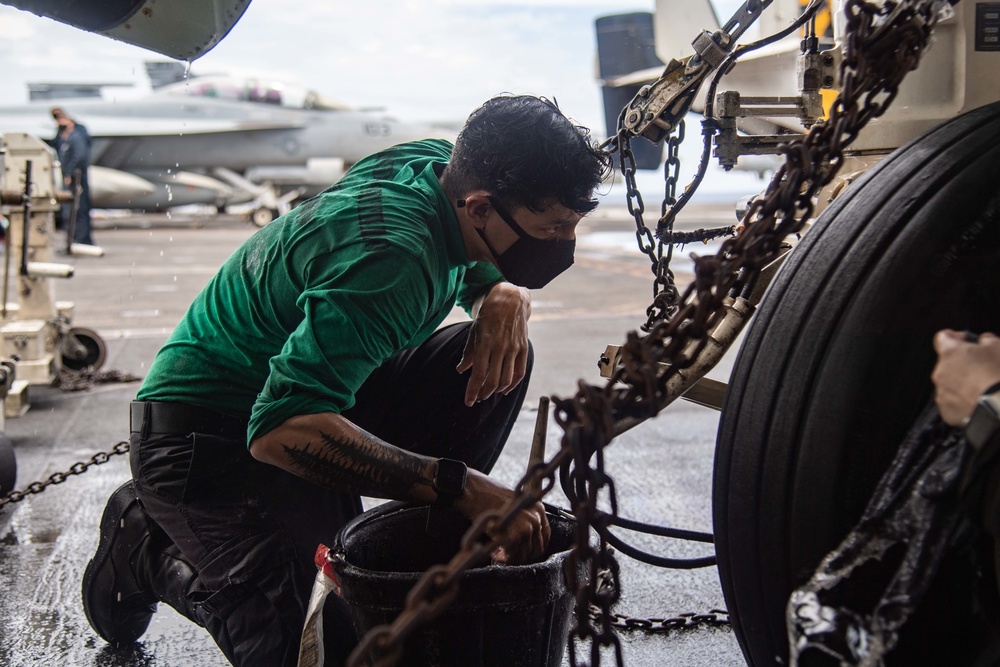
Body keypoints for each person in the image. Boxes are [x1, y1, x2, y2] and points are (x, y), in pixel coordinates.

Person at [81, 94, 611, 665]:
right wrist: (464, 485)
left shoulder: (435, 166)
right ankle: (145, 544)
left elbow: (475, 261)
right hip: (206, 443)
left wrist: (501, 292)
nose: (564, 244)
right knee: (319, 648)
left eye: (572, 224)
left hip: (310, 396)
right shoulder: (393, 262)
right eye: (551, 227)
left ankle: (420, 534)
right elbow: (279, 430)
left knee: (499, 355)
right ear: (479, 207)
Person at [50, 106, 95, 246]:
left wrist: (69, 173)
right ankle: (74, 240)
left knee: (79, 209)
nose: (59, 121)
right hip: (70, 178)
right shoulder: (65, 136)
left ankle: (81, 240)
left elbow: (80, 156)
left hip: (77, 178)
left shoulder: (76, 136)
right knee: (70, 210)